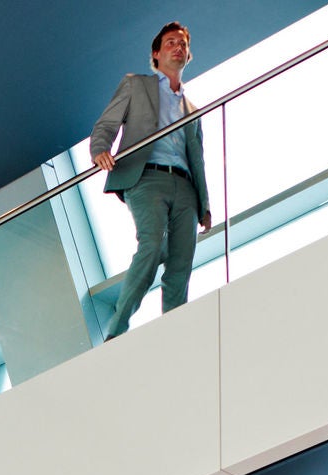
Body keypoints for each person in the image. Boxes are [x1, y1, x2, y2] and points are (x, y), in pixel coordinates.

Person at [89, 21, 214, 339]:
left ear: (189, 56)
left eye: (183, 44)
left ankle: (174, 335)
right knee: (153, 244)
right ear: (156, 54)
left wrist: (205, 203)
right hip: (146, 178)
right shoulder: (136, 86)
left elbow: (198, 160)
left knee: (182, 261)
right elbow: (107, 122)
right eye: (171, 42)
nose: (178, 47)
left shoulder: (192, 110)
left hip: (185, 187)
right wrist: (100, 148)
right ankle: (116, 331)